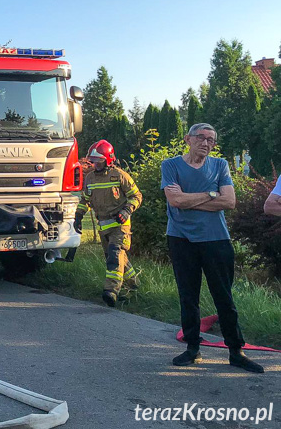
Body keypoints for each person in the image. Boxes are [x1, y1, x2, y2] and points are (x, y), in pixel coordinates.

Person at [161, 123, 263, 373]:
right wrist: (211, 194)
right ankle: (193, 349)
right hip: (181, 239)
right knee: (188, 297)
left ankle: (236, 351)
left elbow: (229, 201)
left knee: (224, 298)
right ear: (188, 139)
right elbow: (175, 200)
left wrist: (190, 200)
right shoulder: (171, 165)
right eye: (202, 138)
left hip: (216, 239)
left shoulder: (220, 165)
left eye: (211, 140)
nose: (206, 143)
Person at [75, 140, 142, 307]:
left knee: (114, 254)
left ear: (108, 159)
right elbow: (86, 199)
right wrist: (78, 216)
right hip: (104, 227)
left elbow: (136, 196)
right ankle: (133, 285)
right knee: (118, 258)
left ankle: (111, 291)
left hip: (120, 225)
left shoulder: (120, 175)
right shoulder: (90, 178)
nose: (95, 164)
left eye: (99, 160)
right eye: (93, 160)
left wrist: (126, 211)